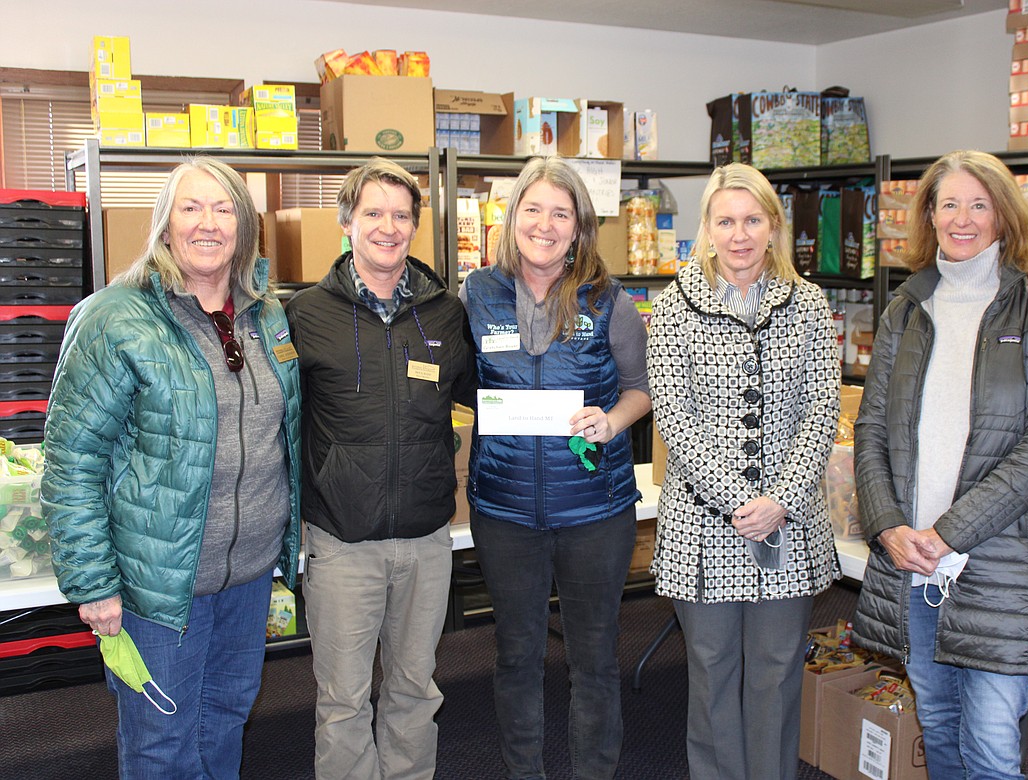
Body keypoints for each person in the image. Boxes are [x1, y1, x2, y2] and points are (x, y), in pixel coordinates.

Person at [42, 157, 301, 778]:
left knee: (225, 722)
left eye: (223, 209)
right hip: (154, 588)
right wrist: (93, 583)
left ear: (244, 225)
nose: (208, 223)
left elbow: (282, 436)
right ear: (165, 223)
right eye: (191, 207)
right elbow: (70, 462)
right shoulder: (114, 318)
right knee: (162, 742)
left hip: (246, 577)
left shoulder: (266, 314)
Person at [851, 150, 1028, 780]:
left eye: (978, 204)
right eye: (948, 203)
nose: (962, 219)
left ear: (1003, 217)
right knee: (941, 726)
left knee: (990, 742)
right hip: (912, 561)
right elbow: (871, 428)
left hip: (1001, 560)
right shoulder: (906, 307)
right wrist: (887, 525)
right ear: (929, 214)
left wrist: (949, 533)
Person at [646, 162, 841, 780]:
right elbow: (676, 420)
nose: (740, 234)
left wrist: (780, 498)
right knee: (710, 669)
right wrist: (737, 501)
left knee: (778, 669)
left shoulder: (808, 304)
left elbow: (822, 411)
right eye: (726, 220)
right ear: (706, 228)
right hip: (703, 524)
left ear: (773, 227)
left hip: (788, 523)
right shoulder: (674, 307)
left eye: (753, 219)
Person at [460, 155, 650, 780]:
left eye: (560, 213)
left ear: (579, 227)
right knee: (517, 653)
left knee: (593, 656)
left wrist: (612, 422)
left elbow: (639, 389)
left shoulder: (610, 300)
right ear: (513, 217)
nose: (544, 224)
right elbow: (460, 382)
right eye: (533, 209)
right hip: (505, 511)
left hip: (595, 510)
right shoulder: (476, 293)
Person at [286, 157, 476, 780]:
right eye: (373, 213)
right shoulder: (306, 313)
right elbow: (278, 420)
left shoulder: (447, 314)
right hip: (341, 542)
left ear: (416, 226)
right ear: (347, 222)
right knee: (342, 702)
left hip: (425, 538)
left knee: (415, 690)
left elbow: (487, 398)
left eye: (401, 215)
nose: (387, 227)